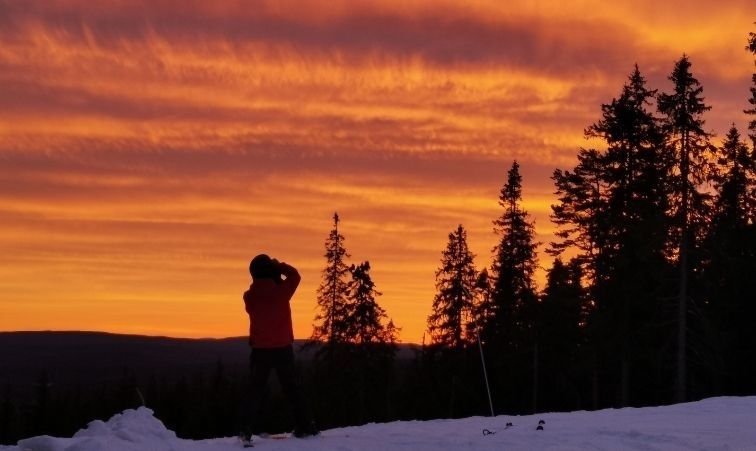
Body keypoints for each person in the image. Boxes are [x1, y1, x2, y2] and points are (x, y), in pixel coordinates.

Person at [239, 254, 318, 442]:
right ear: (271, 272)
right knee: (292, 389)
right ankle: (305, 425)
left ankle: (245, 429)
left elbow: (259, 291)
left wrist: (272, 273)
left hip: (260, 351)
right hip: (283, 349)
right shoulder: (281, 292)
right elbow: (295, 276)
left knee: (255, 390)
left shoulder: (249, 297)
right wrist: (279, 267)